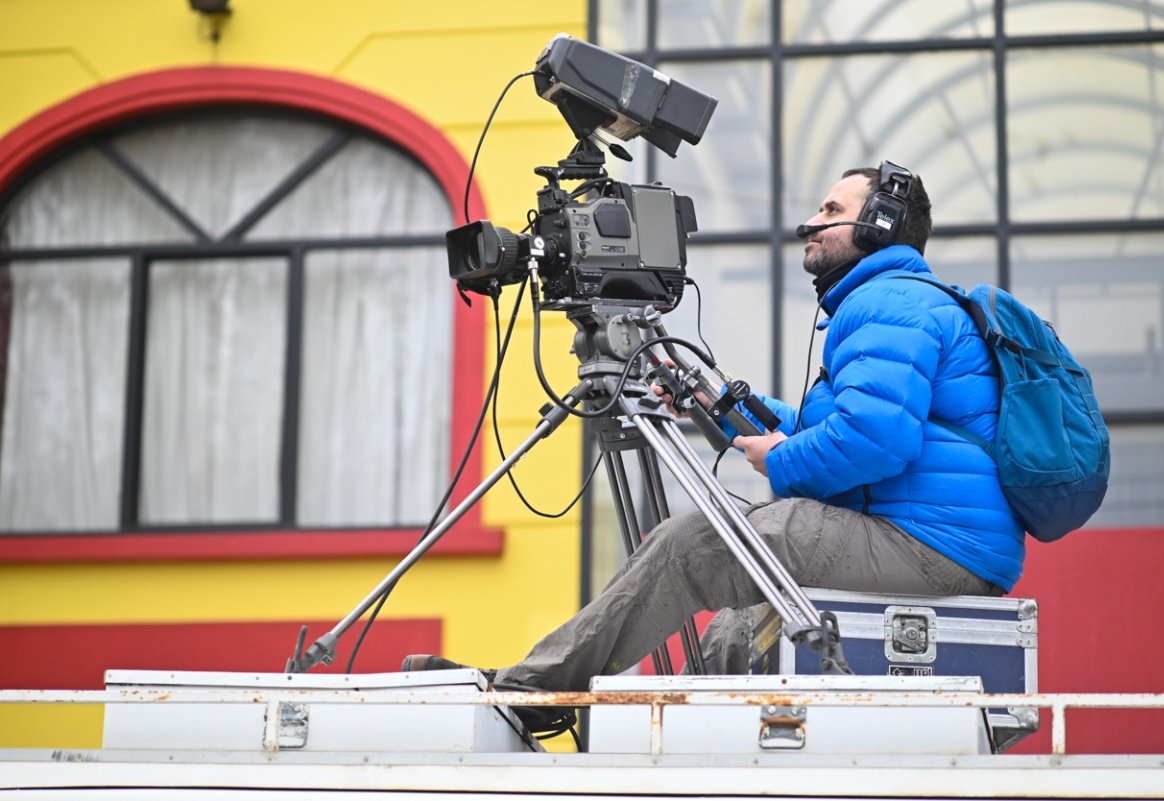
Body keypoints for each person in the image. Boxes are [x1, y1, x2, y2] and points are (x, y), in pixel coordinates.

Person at [403, 162, 1024, 691]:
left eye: (832, 210)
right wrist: (715, 401)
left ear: (878, 225)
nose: (811, 222)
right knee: (736, 624)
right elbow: (835, 425)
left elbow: (875, 440)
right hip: (931, 539)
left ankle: (528, 690)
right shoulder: (894, 301)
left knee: (694, 542)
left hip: (932, 544)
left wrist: (781, 460)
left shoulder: (890, 301)